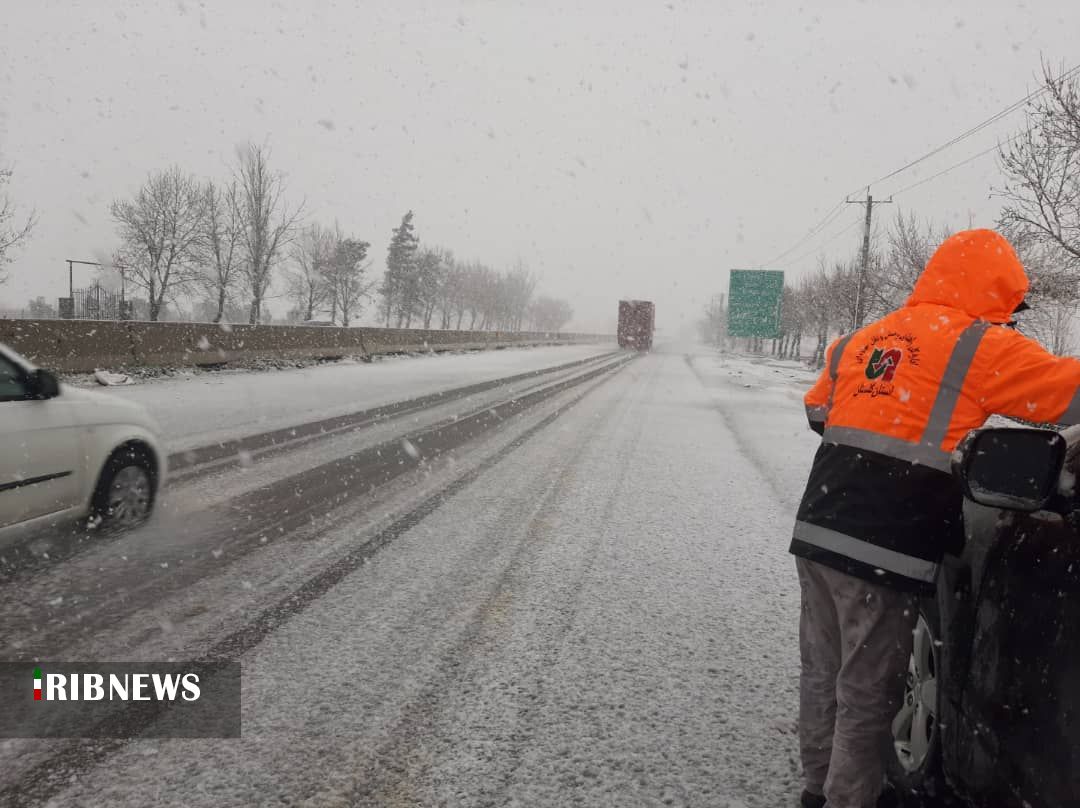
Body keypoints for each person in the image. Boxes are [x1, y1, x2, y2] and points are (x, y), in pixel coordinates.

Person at [792, 228, 1080, 808]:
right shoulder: (984, 347)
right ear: (997, 290)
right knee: (867, 688)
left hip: (818, 525)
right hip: (885, 542)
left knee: (822, 672)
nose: (1012, 317)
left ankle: (814, 787)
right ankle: (849, 801)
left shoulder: (862, 337)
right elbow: (1066, 396)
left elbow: (819, 408)